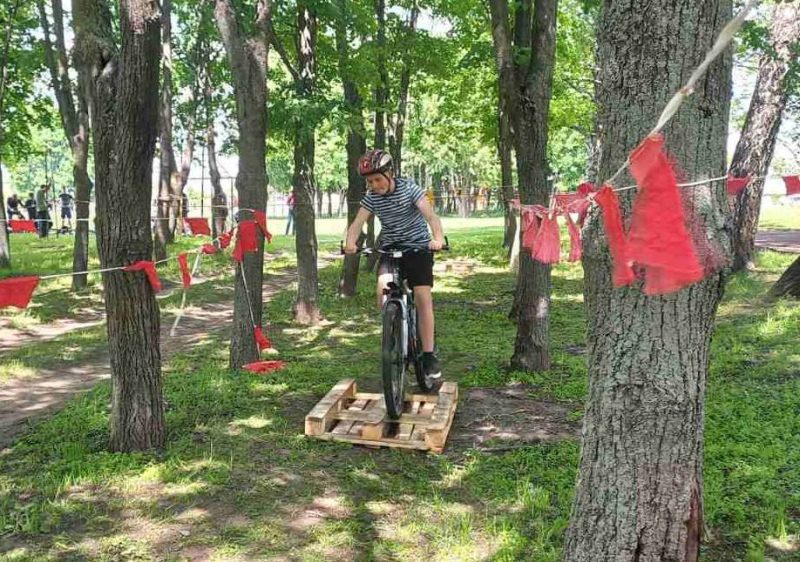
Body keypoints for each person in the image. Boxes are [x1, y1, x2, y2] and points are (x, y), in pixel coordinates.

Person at [344, 149, 445, 381]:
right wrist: (350, 242)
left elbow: (431, 217)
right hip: (390, 248)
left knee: (422, 297)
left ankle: (428, 355)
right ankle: (395, 329)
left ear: (390, 173)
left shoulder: (409, 189)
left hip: (418, 248)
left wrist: (437, 239)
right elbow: (357, 222)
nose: (374, 185)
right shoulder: (372, 198)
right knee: (382, 288)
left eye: (377, 179)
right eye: (370, 182)